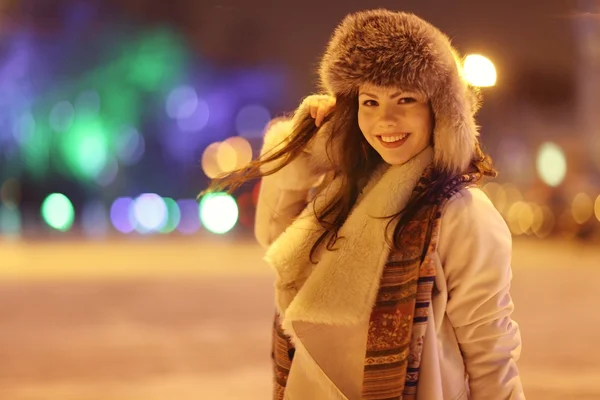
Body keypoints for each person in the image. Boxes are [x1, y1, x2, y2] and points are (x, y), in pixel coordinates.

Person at [205, 8, 524, 400]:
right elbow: (275, 238)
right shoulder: (347, 190)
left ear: (439, 109)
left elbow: (490, 350)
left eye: (404, 99)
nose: (384, 120)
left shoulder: (461, 212)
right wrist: (305, 149)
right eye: (369, 102)